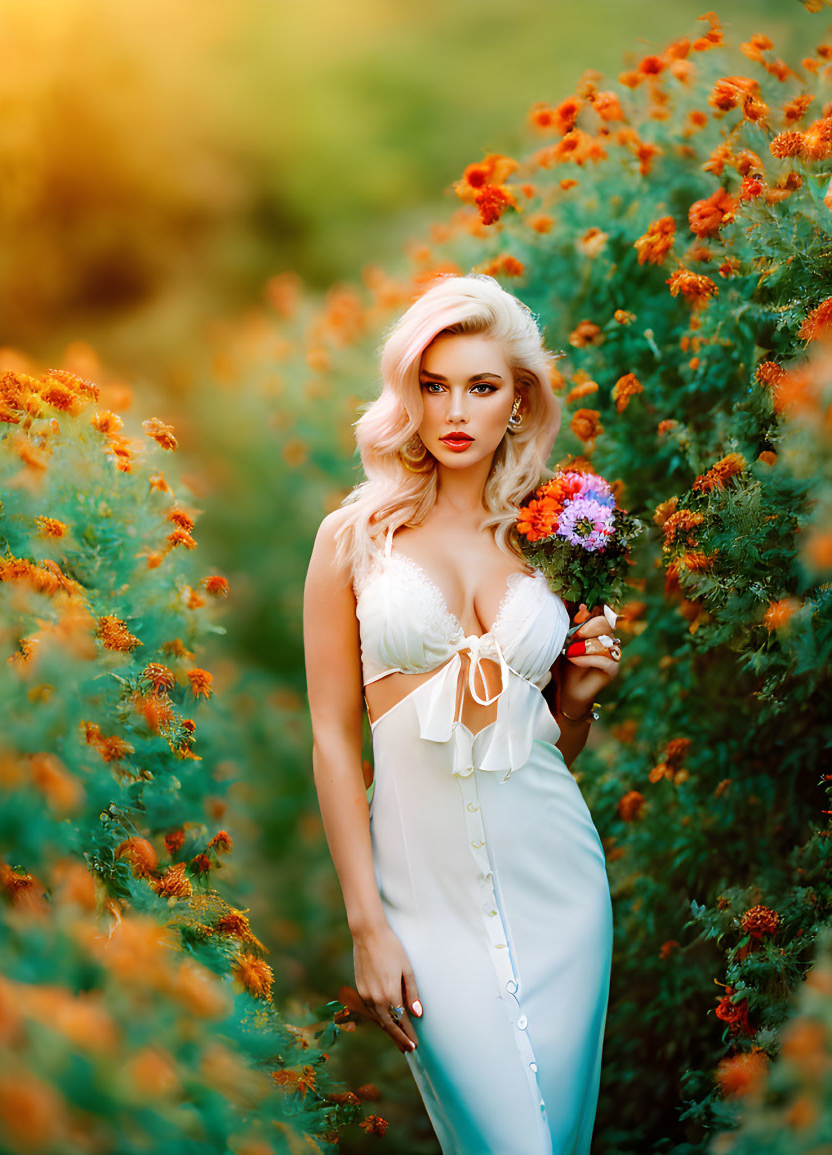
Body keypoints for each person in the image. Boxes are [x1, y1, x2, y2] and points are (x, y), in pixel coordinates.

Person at [303, 273, 620, 1155]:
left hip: (559, 885)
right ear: (407, 394)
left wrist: (579, 701)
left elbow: (550, 744)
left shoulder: (552, 537)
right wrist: (368, 922)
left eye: (480, 386)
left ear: (518, 399)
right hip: (420, 903)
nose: (455, 409)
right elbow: (332, 738)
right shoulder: (355, 536)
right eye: (433, 384)